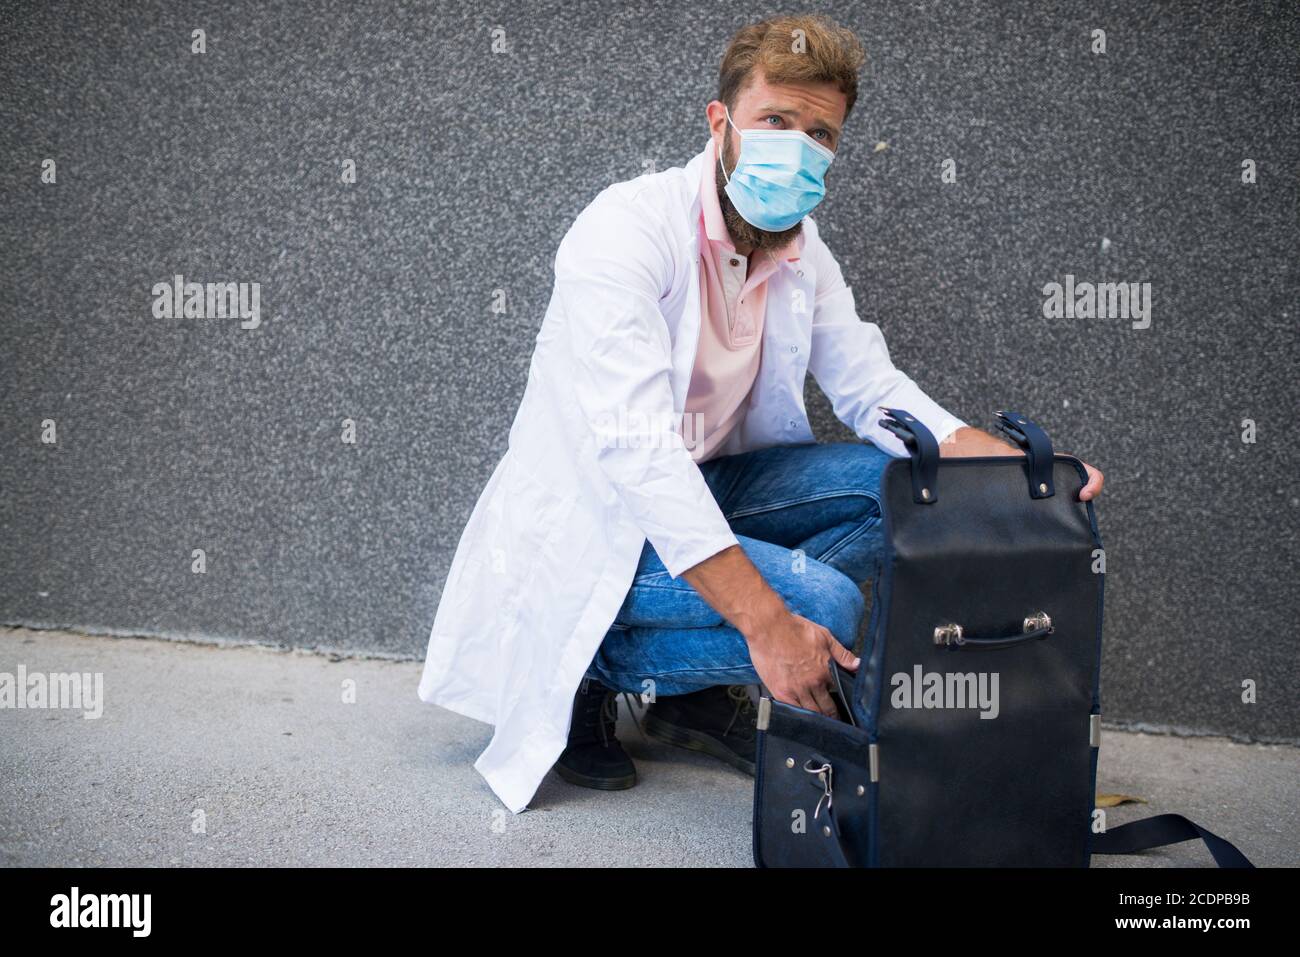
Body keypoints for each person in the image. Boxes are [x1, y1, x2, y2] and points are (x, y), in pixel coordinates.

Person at [417, 13, 1104, 812]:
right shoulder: (625, 232)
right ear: (721, 122)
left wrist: (1024, 477)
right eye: (775, 120)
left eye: (821, 133)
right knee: (819, 605)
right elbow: (639, 457)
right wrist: (770, 624)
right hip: (592, 524)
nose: (797, 145)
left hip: (710, 488)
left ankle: (695, 697)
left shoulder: (803, 254)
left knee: (899, 491)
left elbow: (872, 388)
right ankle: (589, 669)